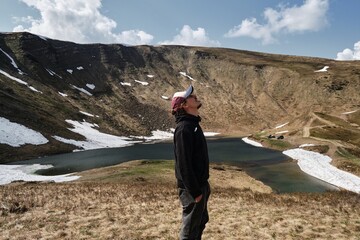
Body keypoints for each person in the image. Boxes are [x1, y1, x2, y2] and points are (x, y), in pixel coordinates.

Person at [171, 85, 211, 240]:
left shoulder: (193, 125)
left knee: (200, 221)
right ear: (184, 105)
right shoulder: (184, 129)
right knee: (189, 229)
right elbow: (184, 164)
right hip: (191, 190)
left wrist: (203, 186)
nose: (194, 96)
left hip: (200, 186)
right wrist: (195, 191)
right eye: (190, 96)